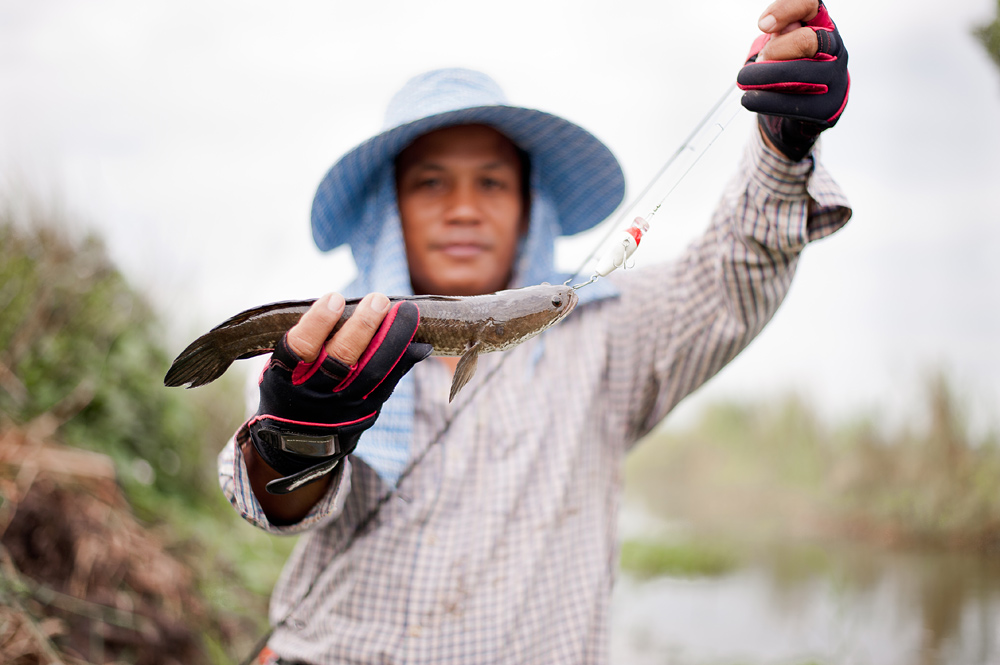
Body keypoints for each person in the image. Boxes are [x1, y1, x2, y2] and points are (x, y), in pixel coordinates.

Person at [219, 1, 853, 662]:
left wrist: (782, 149)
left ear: (528, 205)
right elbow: (272, 502)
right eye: (431, 182)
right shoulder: (322, 343)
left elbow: (734, 272)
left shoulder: (606, 330)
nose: (463, 208)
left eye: (491, 181)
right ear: (391, 205)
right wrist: (295, 439)